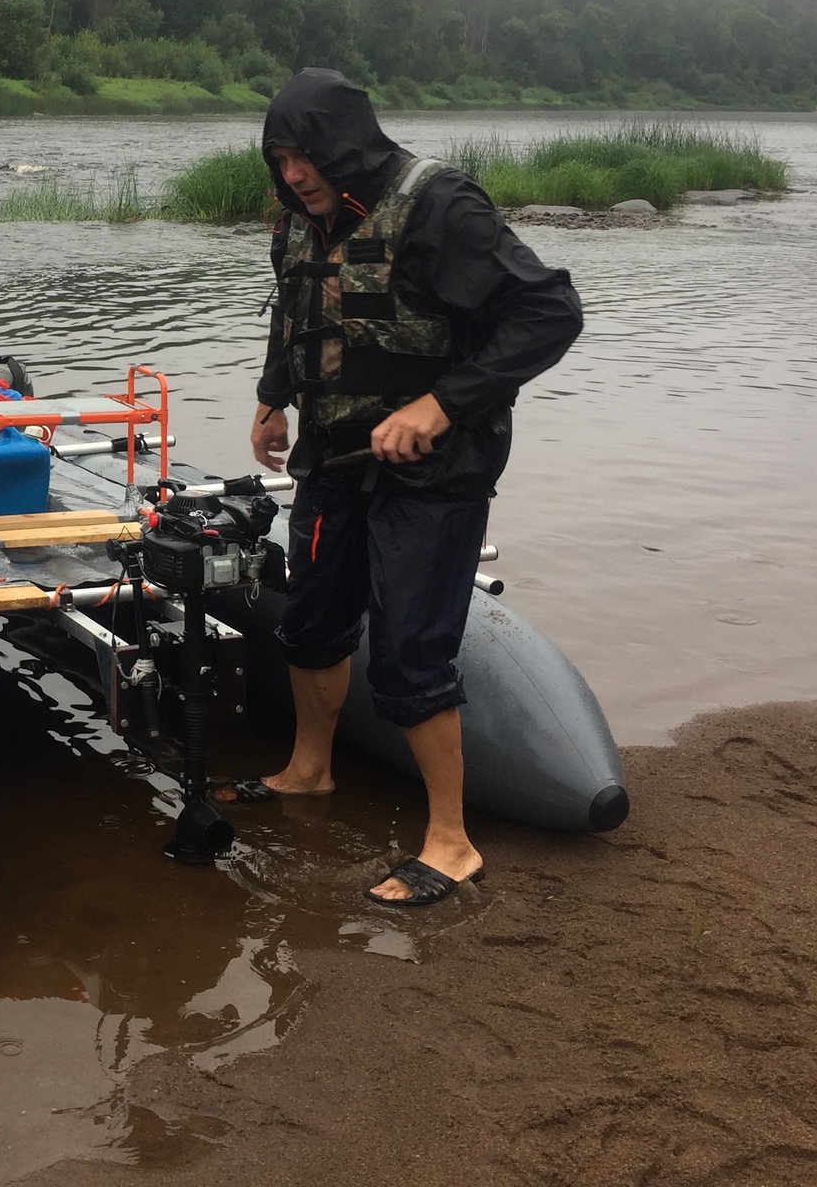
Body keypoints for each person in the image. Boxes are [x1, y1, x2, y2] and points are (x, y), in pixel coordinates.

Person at [240, 69, 584, 907]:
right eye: (281, 160)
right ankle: (310, 770)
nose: (294, 175)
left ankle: (451, 842)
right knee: (313, 621)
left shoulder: (440, 207)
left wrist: (439, 404)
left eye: (306, 158)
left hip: (435, 472)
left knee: (409, 650)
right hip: (331, 459)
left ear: (345, 144)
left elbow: (549, 312)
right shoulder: (298, 221)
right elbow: (298, 312)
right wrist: (272, 395)